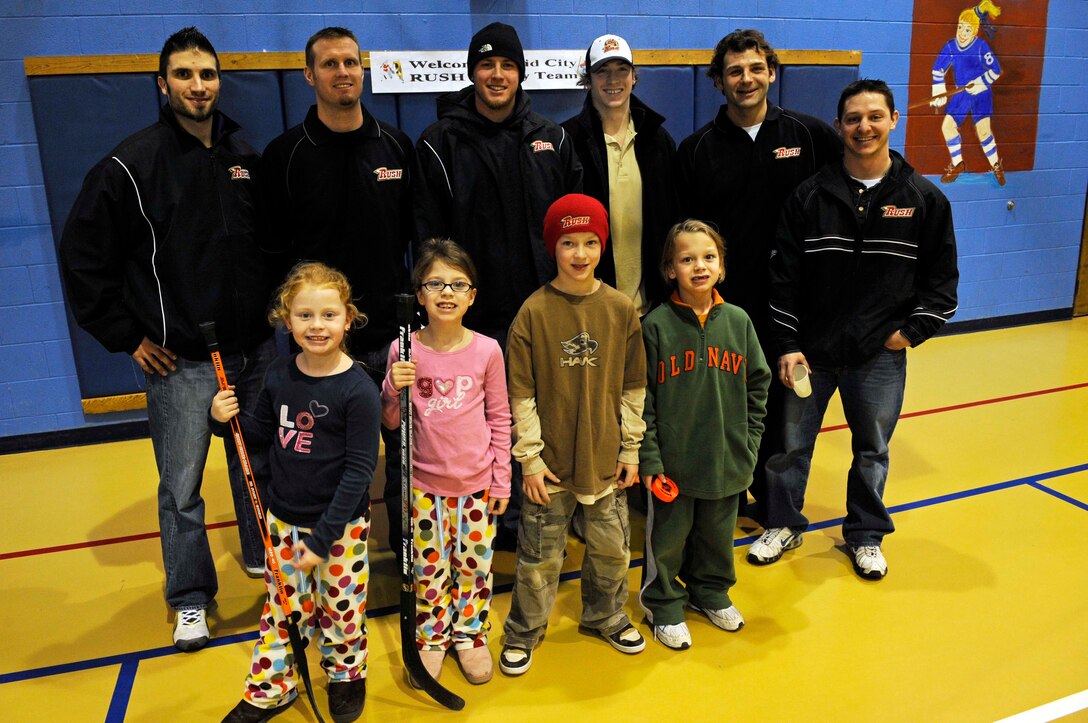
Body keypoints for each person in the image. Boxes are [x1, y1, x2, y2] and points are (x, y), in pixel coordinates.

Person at [58, 27, 276, 652]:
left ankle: (262, 555)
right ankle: (189, 598)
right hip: (179, 360)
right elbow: (83, 258)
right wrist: (127, 337)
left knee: (255, 461)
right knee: (181, 486)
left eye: (207, 74)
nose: (198, 85)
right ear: (162, 84)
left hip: (252, 350)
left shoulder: (243, 155)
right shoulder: (131, 165)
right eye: (184, 75)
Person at [751, 79, 959, 580]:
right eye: (852, 118)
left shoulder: (923, 199)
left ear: (892, 121)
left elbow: (942, 285)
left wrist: (906, 335)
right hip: (811, 354)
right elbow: (783, 277)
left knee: (873, 450)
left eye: (873, 116)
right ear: (840, 126)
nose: (863, 127)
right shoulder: (810, 195)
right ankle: (783, 522)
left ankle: (864, 534)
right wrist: (788, 345)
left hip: (879, 357)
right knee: (789, 447)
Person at [415, 21, 583, 549]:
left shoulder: (552, 138)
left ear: (520, 72)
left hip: (542, 311)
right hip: (473, 321)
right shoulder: (440, 141)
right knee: (483, 425)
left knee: (544, 417)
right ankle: (490, 523)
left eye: (506, 65)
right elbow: (428, 237)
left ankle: (545, 515)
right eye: (486, 65)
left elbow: (574, 229)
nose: (496, 74)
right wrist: (444, 308)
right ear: (472, 72)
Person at [260, 26, 416, 560]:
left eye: (351, 62)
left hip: (388, 338)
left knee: (401, 450)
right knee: (319, 450)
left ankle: (404, 547)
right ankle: (322, 549)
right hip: (319, 341)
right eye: (329, 64)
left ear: (363, 68)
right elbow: (272, 251)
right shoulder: (284, 155)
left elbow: (418, 238)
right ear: (309, 75)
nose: (343, 72)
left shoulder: (396, 145)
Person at [676, 29, 841, 522]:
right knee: (728, 407)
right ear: (718, 81)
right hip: (726, 306)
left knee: (785, 411)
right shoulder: (697, 148)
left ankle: (777, 507)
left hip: (795, 306)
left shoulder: (811, 136)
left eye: (754, 68)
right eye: (733, 71)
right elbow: (683, 236)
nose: (745, 79)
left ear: (771, 72)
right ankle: (725, 496)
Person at [213, 262, 379, 723]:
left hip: (338, 528)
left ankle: (346, 674)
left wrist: (323, 536)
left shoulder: (357, 390)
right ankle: (269, 689)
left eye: (328, 315)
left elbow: (359, 470)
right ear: (287, 322)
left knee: (340, 610)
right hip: (283, 521)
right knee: (284, 611)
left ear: (348, 319)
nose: (316, 326)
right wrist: (221, 420)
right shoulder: (280, 375)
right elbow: (258, 435)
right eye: (304, 316)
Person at [499, 194, 647, 676]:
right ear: (553, 247)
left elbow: (633, 385)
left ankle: (606, 615)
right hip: (551, 466)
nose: (580, 253)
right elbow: (520, 394)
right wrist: (532, 459)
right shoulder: (533, 313)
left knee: (611, 549)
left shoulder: (621, 309)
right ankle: (524, 630)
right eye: (568, 242)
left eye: (589, 242)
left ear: (602, 245)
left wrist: (630, 447)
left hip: (605, 460)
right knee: (539, 557)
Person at [382, 238, 512, 686]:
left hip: (475, 485)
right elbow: (391, 419)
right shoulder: (403, 350)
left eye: (458, 284)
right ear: (419, 293)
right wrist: (390, 386)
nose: (447, 292)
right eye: (435, 283)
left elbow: (499, 417)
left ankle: (470, 633)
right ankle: (433, 635)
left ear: (472, 296)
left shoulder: (487, 350)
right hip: (422, 486)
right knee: (430, 566)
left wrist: (501, 483)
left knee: (474, 564)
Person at [638, 220, 770, 650]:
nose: (699, 266)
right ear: (670, 269)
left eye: (708, 257)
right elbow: (645, 403)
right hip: (673, 466)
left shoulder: (739, 321)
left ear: (722, 267)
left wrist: (749, 443)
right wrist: (652, 461)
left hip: (726, 458)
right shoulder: (655, 326)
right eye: (687, 258)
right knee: (668, 543)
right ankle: (665, 604)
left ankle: (710, 592)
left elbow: (758, 384)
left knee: (717, 538)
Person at [562, 33, 677, 316]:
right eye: (602, 71)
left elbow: (673, 219)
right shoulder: (568, 141)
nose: (613, 80)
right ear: (588, 79)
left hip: (653, 307)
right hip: (590, 305)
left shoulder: (658, 140)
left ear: (634, 77)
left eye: (621, 70)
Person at [930, 1, 1005, 186]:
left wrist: (980, 83)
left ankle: (996, 165)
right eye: (960, 27)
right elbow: (937, 70)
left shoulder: (981, 47)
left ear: (974, 32)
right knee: (947, 127)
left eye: (967, 30)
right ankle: (958, 164)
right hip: (961, 94)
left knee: (984, 131)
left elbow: (995, 70)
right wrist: (939, 90)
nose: (962, 33)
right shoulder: (950, 47)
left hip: (980, 94)